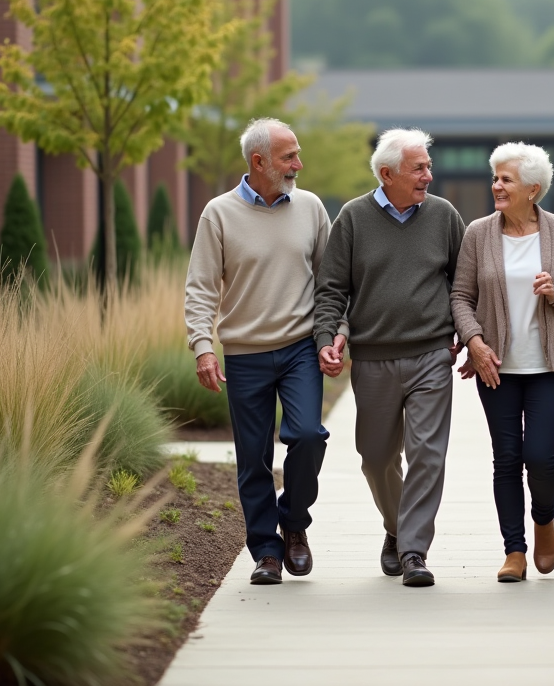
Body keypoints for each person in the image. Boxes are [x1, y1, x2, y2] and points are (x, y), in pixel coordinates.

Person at [184, 118, 336, 586]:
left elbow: (332, 284)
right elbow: (201, 288)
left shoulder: (310, 208)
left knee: (308, 435)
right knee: (253, 456)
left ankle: (293, 522)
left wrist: (335, 334)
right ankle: (266, 553)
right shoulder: (218, 213)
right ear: (259, 162)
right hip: (245, 355)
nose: (298, 164)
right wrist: (203, 347)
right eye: (289, 157)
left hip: (299, 349)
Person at [314, 128, 466, 587]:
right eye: (418, 168)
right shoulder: (354, 218)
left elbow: (464, 284)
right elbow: (331, 289)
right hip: (374, 358)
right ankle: (397, 529)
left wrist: (468, 334)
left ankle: (414, 551)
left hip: (430, 353)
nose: (428, 175)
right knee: (376, 457)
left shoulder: (443, 215)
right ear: (387, 174)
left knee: (427, 454)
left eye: (428, 166)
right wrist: (327, 336)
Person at [450, 143, 554, 583]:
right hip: (497, 367)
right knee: (507, 459)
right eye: (495, 178)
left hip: (549, 366)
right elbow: (460, 296)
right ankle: (514, 550)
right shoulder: (478, 233)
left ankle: (545, 520)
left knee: (540, 454)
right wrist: (474, 342)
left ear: (532, 189)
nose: (496, 185)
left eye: (505, 179)